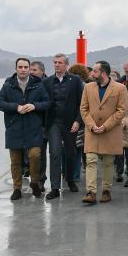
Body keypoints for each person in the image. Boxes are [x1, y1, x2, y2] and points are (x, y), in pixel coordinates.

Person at [0, 58, 51, 200]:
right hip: (14, 128)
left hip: (33, 128)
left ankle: (35, 182)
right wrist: (16, 107)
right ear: (16, 69)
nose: (23, 70)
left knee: (35, 155)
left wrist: (35, 106)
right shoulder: (8, 85)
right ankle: (17, 189)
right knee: (15, 161)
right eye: (20, 67)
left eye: (26, 67)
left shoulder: (38, 85)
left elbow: (47, 103)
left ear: (29, 69)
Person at [79, 60, 127, 205]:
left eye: (95, 71)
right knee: (90, 160)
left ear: (103, 73)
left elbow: (121, 110)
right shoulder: (88, 87)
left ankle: (106, 190)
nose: (91, 73)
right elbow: (83, 109)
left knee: (108, 162)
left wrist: (106, 126)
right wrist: (91, 125)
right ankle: (91, 192)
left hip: (110, 131)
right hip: (92, 130)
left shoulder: (119, 88)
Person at [43, 53, 84, 198]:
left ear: (66, 65)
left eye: (60, 62)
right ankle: (55, 187)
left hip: (70, 122)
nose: (56, 65)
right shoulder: (47, 82)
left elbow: (82, 103)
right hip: (54, 122)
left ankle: (70, 180)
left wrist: (78, 121)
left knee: (71, 152)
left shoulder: (75, 80)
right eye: (55, 62)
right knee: (55, 153)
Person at [68, 63, 91, 184]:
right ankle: (76, 174)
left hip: (73, 120)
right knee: (79, 149)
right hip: (82, 122)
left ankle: (71, 174)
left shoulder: (72, 85)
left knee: (72, 149)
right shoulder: (86, 86)